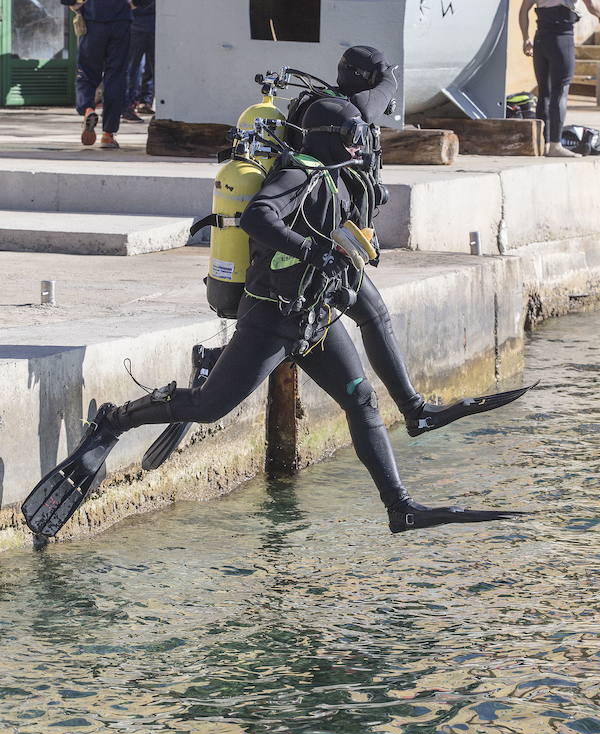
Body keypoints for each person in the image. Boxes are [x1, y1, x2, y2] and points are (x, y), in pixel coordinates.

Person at [21, 98, 528, 540]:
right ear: (330, 138)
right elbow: (257, 217)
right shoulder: (298, 172)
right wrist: (314, 250)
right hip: (271, 319)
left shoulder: (340, 174)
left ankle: (399, 507)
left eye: (363, 137)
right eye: (352, 137)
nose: (359, 145)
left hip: (314, 319)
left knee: (362, 400)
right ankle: (114, 419)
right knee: (208, 407)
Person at [143, 46, 532, 470]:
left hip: (326, 250)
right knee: (368, 321)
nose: (356, 141)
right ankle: (413, 409)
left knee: (367, 336)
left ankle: (412, 416)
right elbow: (384, 90)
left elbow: (378, 93)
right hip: (303, 260)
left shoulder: (323, 108)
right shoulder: (339, 116)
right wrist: (315, 251)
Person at [63, 0, 153, 149]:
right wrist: (134, 3)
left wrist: (73, 4)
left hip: (92, 18)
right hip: (121, 20)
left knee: (86, 72)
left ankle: (87, 109)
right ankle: (108, 134)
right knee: (116, 76)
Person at [519, 0, 600, 157]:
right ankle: (556, 145)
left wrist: (525, 39)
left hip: (540, 40)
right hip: (561, 40)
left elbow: (523, 11)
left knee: (544, 93)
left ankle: (543, 143)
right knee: (560, 91)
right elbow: (592, 6)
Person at [122, 0, 155, 122]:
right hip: (142, 22)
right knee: (133, 68)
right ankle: (131, 104)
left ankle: (135, 103)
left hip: (140, 22)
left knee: (132, 68)